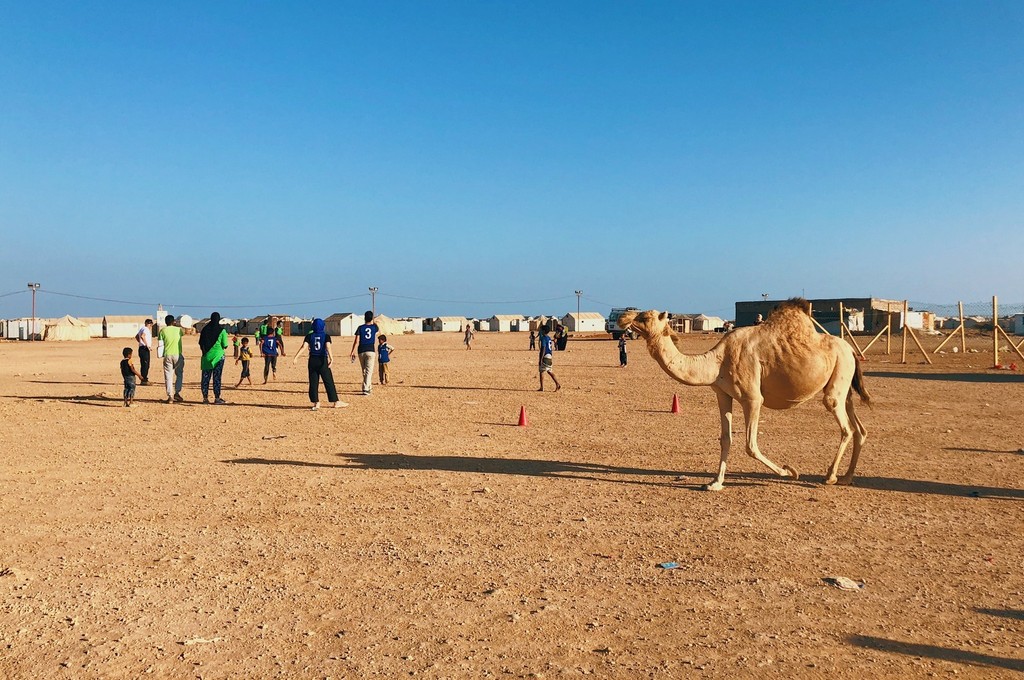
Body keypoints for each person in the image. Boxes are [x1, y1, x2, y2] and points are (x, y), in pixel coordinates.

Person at [292, 317, 346, 409]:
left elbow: (304, 347)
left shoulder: (309, 336)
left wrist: (296, 357)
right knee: (328, 381)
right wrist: (331, 358)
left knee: (313, 382)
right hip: (322, 360)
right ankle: (335, 401)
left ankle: (316, 402)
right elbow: (328, 347)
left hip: (312, 360)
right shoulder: (326, 336)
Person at [198, 312, 229, 405]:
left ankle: (205, 398)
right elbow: (225, 345)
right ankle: (217, 398)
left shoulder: (204, 330)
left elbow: (201, 343)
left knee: (205, 378)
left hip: (206, 357)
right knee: (217, 378)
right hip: (218, 357)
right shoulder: (222, 331)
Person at [350, 311, 379, 395]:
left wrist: (352, 351)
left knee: (364, 370)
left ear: (364, 318)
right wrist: (374, 321)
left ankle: (368, 386)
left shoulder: (360, 328)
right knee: (369, 371)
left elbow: (356, 341)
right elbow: (377, 328)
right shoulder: (374, 327)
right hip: (370, 350)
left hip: (361, 350)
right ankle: (366, 389)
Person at [158, 314, 185, 403]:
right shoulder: (178, 330)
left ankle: (170, 396)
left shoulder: (162, 331)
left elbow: (160, 344)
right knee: (179, 374)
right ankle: (177, 392)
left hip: (167, 354)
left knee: (168, 376)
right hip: (177, 354)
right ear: (173, 321)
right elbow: (183, 333)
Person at [538, 324, 561, 392]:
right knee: (549, 371)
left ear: (543, 331)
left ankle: (542, 387)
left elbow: (543, 349)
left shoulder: (543, 338)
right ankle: (557, 383)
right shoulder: (548, 338)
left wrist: (540, 359)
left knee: (542, 371)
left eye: (541, 330)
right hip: (549, 356)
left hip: (545, 356)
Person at [135, 319, 154, 385]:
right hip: (144, 348)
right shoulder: (146, 329)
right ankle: (144, 380)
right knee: (145, 365)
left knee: (143, 364)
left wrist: (140, 342)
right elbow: (142, 336)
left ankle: (143, 379)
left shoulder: (142, 328)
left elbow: (137, 337)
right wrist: (146, 345)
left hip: (141, 348)